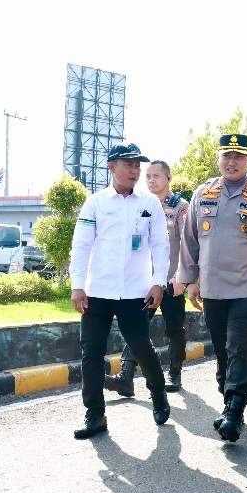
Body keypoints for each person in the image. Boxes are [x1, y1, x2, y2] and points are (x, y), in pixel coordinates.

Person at [177, 134, 247, 443]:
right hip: (212, 287)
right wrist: (189, 280)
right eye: (226, 156)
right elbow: (190, 240)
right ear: (218, 159)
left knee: (240, 346)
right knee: (223, 350)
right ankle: (230, 403)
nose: (232, 162)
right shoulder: (203, 193)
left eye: (239, 156)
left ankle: (235, 409)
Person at [69, 143, 171, 439]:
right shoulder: (95, 203)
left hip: (135, 292)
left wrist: (159, 282)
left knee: (141, 347)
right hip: (97, 292)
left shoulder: (149, 203)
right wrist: (78, 286)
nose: (135, 170)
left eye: (138, 165)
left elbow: (160, 245)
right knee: (91, 353)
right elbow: (82, 246)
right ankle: (95, 414)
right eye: (129, 164)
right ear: (112, 167)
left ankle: (158, 394)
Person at [104, 160, 191, 396]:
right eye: (148, 176)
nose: (151, 180)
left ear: (169, 178)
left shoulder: (180, 207)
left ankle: (175, 371)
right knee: (137, 327)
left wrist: (182, 277)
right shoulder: (141, 204)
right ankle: (126, 376)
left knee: (174, 329)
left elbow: (188, 244)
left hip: (171, 280)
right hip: (145, 282)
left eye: (157, 176)